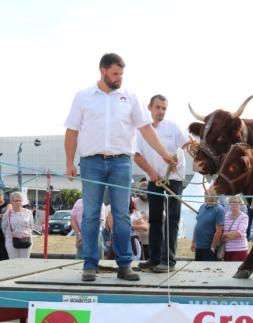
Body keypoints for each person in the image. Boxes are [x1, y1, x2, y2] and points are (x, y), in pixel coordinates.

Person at [64, 53, 175, 282]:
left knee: (122, 214)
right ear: (102, 71)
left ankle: (125, 264)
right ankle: (90, 265)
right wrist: (69, 162)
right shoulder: (83, 97)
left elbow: (145, 129)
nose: (119, 78)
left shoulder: (130, 97)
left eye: (121, 73)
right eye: (115, 73)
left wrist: (164, 154)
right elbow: (72, 131)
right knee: (91, 215)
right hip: (91, 162)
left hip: (122, 161)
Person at [134, 94, 189, 273]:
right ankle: (155, 258)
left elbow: (188, 144)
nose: (161, 112)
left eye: (164, 108)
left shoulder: (173, 127)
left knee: (172, 219)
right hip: (153, 179)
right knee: (155, 219)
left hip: (174, 179)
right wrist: (151, 173)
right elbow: (137, 155)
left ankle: (169, 260)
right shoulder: (141, 130)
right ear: (149, 108)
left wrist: (198, 159)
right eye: (158, 107)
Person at [191, 190, 225, 261]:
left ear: (215, 196)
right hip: (199, 247)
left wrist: (213, 247)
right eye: (205, 194)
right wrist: (193, 242)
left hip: (209, 248)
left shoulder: (219, 210)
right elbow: (197, 225)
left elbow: (219, 231)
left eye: (207, 194)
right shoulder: (202, 207)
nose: (205, 196)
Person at [1, 191, 33, 259]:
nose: (18, 203)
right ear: (11, 202)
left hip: (25, 239)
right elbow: (3, 228)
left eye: (20, 200)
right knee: (13, 261)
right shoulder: (7, 214)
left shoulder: (28, 213)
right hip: (11, 240)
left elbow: (31, 226)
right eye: (16, 201)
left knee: (25, 261)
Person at [221, 196, 249, 261]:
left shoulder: (244, 217)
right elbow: (221, 233)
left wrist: (226, 235)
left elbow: (239, 233)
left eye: (236, 202)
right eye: (231, 202)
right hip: (227, 250)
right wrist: (232, 235)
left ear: (240, 204)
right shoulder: (226, 216)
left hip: (240, 250)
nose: (233, 204)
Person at [133, 181, 150, 260]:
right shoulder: (134, 203)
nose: (144, 193)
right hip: (138, 241)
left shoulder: (155, 202)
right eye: (142, 191)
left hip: (152, 241)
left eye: (147, 190)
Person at [0, 190, 10, 260]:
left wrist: (2, 215)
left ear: (2, 196)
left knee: (4, 248)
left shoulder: (8, 204)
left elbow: (7, 215)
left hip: (4, 230)